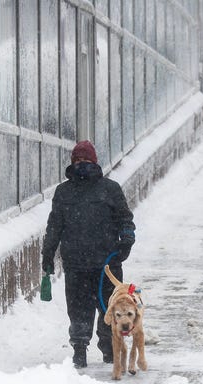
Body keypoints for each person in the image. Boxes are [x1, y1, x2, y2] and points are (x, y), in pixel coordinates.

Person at [42, 140, 135, 368]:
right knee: (78, 309)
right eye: (77, 160)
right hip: (76, 264)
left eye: (85, 160)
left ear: (94, 162)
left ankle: (109, 347)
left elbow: (125, 218)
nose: (81, 164)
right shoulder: (63, 192)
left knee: (110, 308)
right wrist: (48, 253)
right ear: (72, 163)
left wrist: (127, 241)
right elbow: (54, 226)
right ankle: (80, 348)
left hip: (107, 265)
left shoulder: (110, 189)